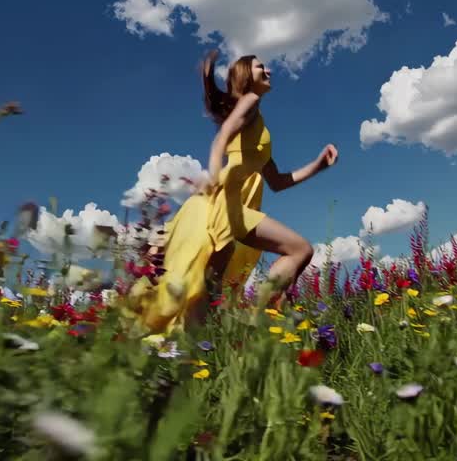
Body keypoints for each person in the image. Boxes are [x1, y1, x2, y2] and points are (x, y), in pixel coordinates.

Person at [127, 50, 338, 334]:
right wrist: (213, 177)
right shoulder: (250, 101)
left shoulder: (258, 123)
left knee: (209, 290)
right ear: (244, 76)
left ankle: (188, 351)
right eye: (260, 67)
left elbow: (277, 181)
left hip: (235, 205)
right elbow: (220, 139)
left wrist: (317, 166)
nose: (268, 70)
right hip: (229, 201)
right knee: (299, 249)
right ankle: (255, 317)